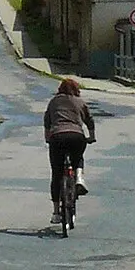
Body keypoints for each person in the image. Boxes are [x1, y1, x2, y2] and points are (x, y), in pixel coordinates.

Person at [43, 76, 95, 222]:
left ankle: (56, 213)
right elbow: (89, 120)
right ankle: (79, 178)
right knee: (78, 157)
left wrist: (48, 137)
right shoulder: (80, 102)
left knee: (57, 173)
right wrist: (91, 136)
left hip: (57, 136)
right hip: (76, 136)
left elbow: (47, 121)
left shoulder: (54, 102)